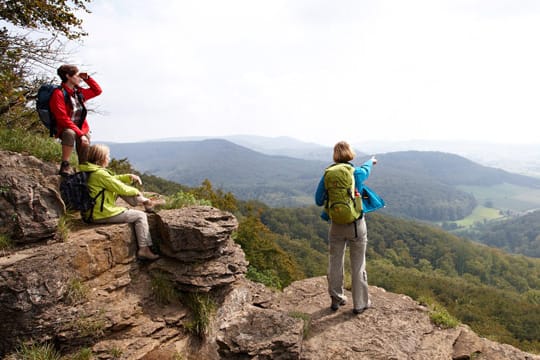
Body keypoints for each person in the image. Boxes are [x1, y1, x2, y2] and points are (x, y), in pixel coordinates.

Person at [315, 141, 383, 315]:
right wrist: (371, 161)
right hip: (356, 225)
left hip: (336, 225)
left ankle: (336, 299)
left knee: (335, 263)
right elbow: (366, 169)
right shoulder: (356, 172)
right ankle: (360, 304)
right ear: (350, 155)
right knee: (358, 265)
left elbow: (318, 200)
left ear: (335, 156)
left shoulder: (328, 174)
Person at [79, 144, 160, 261]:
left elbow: (112, 180)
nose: (109, 158)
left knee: (120, 190)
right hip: (101, 214)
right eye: (107, 156)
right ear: (100, 158)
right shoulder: (100, 174)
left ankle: (145, 202)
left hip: (92, 211)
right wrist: (137, 192)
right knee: (140, 216)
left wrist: (128, 177)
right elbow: (120, 188)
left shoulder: (90, 170)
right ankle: (144, 250)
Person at [50, 64, 102, 176]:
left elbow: (97, 91)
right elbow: (62, 118)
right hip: (65, 127)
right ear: (68, 76)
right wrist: (80, 134)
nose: (79, 78)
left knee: (85, 137)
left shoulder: (78, 93)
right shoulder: (58, 94)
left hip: (80, 127)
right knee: (70, 133)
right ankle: (65, 164)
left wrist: (88, 78)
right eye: (77, 75)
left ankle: (84, 169)